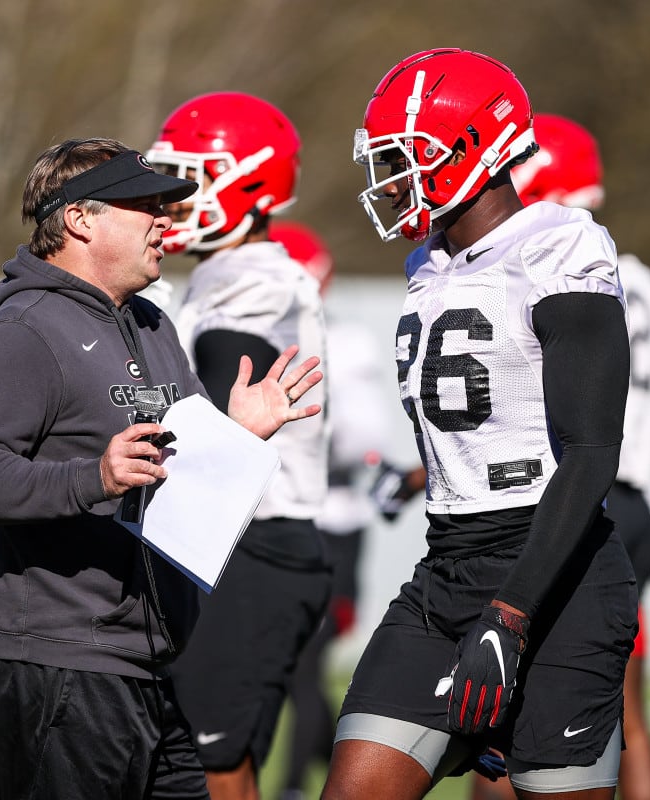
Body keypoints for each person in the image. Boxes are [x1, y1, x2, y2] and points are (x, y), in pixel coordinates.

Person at [0, 136, 323, 800]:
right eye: (143, 205)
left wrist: (237, 435)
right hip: (54, 661)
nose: (166, 221)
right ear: (81, 219)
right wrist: (96, 478)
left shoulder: (149, 325)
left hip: (146, 662)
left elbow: (179, 471)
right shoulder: (22, 332)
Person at [321, 48, 637, 800]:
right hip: (446, 568)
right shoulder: (429, 264)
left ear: (475, 149)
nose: (393, 182)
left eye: (408, 159)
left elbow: (591, 454)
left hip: (555, 573)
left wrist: (512, 612)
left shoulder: (559, 246)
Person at [145, 93, 333, 800]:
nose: (173, 197)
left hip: (255, 542)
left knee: (213, 766)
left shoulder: (253, 280)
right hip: (235, 538)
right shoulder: (218, 276)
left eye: (191, 177)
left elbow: (225, 399)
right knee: (194, 766)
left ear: (248, 181)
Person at [510, 113, 650, 800]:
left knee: (509, 716)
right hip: (632, 496)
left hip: (577, 495)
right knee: (629, 720)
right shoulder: (638, 276)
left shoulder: (561, 265)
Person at [265, 221, 388, 800]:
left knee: (303, 664)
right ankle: (328, 757)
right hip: (281, 521)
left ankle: (293, 785)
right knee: (286, 665)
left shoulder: (341, 343)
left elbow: (364, 439)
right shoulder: (255, 335)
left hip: (328, 523)